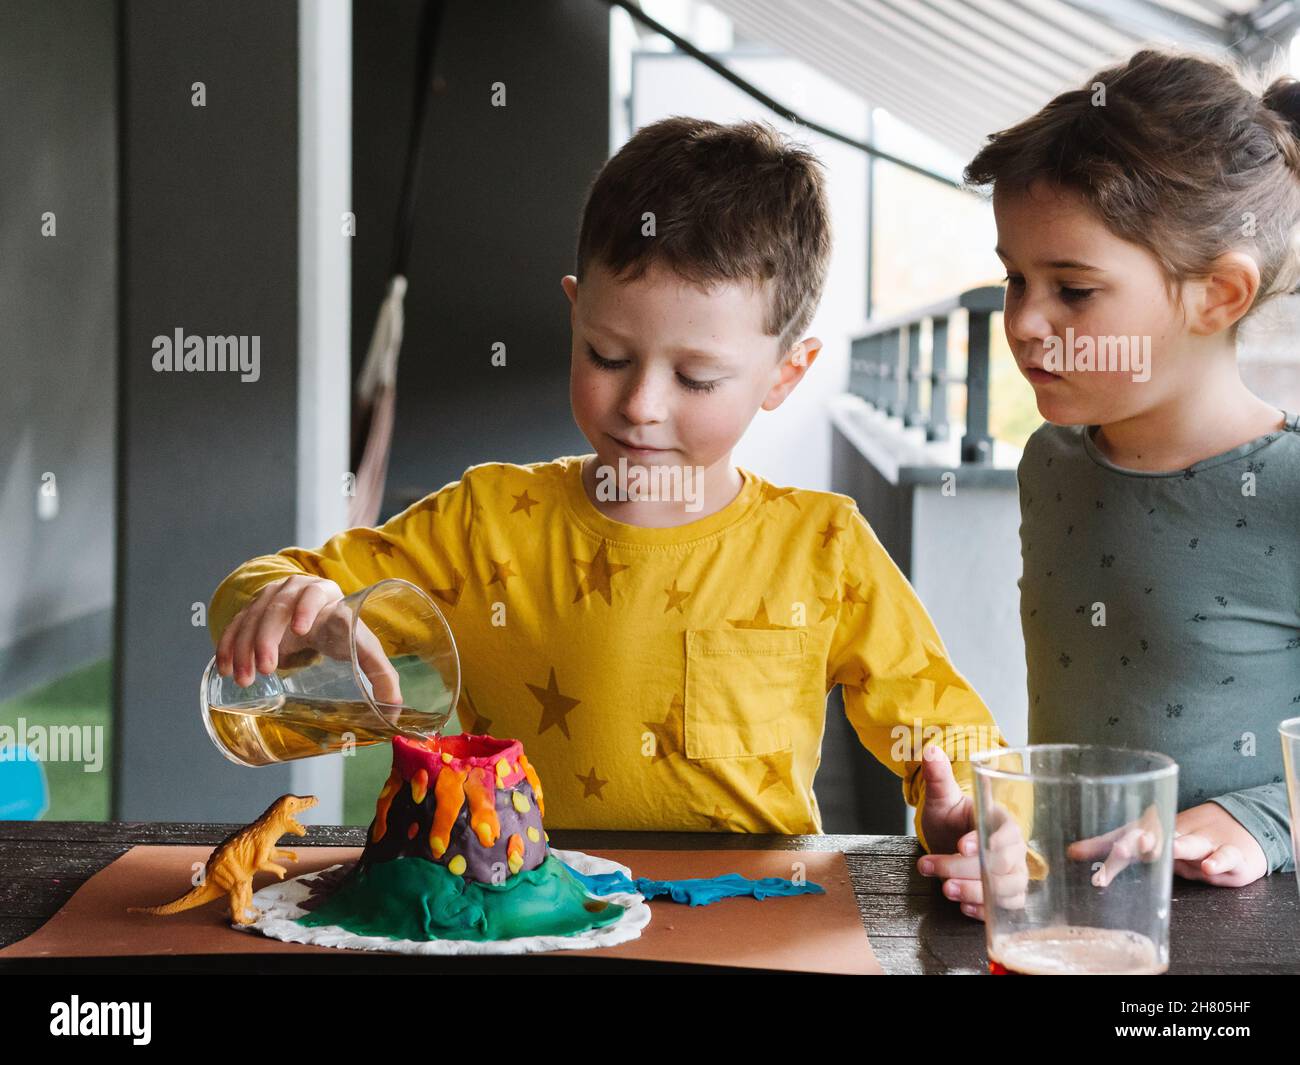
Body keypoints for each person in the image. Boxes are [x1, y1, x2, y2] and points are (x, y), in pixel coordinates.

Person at [209, 115, 1009, 849]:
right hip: (517, 930)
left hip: (744, 929)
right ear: (574, 315)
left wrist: (976, 813)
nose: (641, 406)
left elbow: (949, 731)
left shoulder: (823, 547)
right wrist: (281, 606)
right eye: (608, 357)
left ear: (786, 374)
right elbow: (271, 588)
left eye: (697, 377)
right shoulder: (485, 525)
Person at [920, 48, 1300, 917]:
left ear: (1220, 294)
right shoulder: (1050, 463)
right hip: (1078, 925)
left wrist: (1262, 819)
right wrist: (999, 830)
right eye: (1015, 277)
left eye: (1074, 290)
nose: (1022, 322)